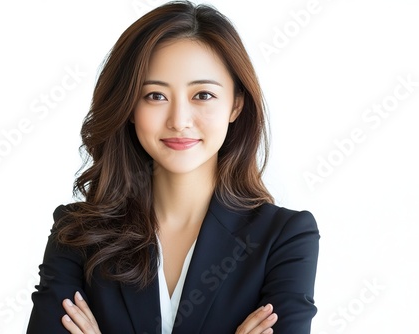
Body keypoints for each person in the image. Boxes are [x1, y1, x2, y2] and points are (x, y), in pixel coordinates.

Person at [26, 1, 320, 333]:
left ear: (236, 104)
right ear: (129, 106)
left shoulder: (284, 238)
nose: (179, 121)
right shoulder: (78, 234)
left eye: (203, 95)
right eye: (155, 96)